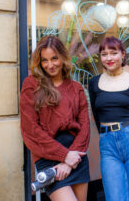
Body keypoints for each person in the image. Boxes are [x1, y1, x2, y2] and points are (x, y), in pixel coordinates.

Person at [20, 36, 90, 201]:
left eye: (54, 59)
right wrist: (63, 155)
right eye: (44, 60)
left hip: (76, 156)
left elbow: (85, 126)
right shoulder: (31, 85)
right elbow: (30, 130)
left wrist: (69, 159)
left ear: (63, 58)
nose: (50, 65)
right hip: (48, 157)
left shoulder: (76, 88)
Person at [88, 36, 129, 201]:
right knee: (115, 197)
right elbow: (96, 114)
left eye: (113, 53)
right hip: (108, 145)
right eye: (104, 54)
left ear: (123, 55)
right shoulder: (94, 83)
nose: (108, 58)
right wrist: (105, 133)